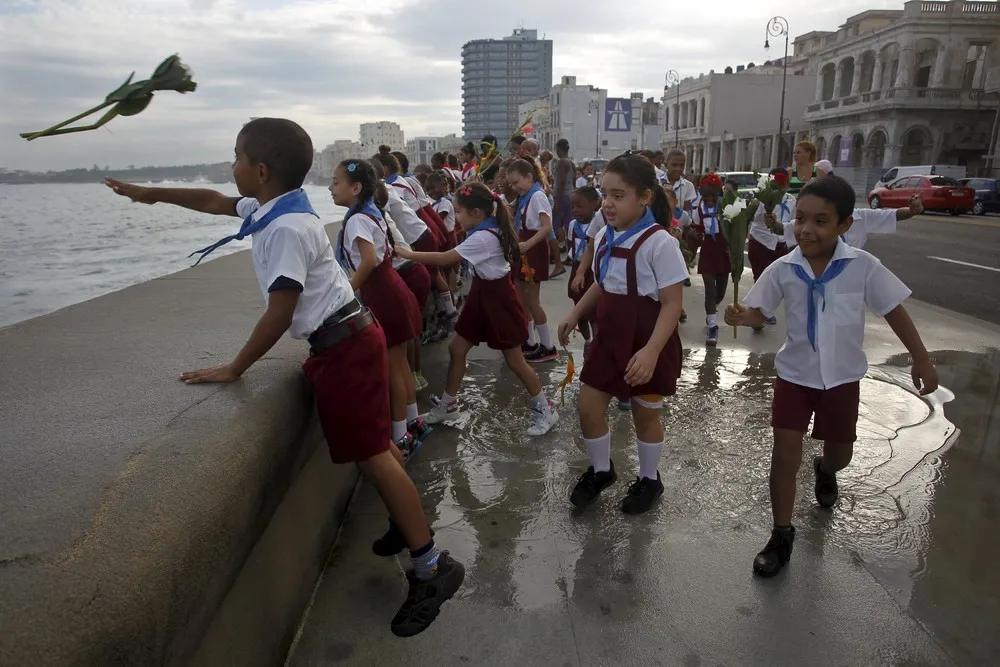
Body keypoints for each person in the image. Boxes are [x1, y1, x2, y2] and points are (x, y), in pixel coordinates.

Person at [104, 118, 463, 636]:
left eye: (236, 157)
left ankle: (432, 568)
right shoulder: (277, 208)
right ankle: (404, 522)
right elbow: (212, 201)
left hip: (345, 347)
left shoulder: (287, 228)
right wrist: (150, 194)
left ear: (262, 170)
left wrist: (235, 367)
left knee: (376, 456)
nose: (232, 168)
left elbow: (280, 310)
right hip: (347, 340)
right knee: (380, 452)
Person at [726, 174, 938, 578]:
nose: (805, 229)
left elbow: (893, 309)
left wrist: (921, 358)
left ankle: (826, 470)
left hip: (841, 380)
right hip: (795, 376)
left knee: (841, 453)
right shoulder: (783, 268)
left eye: (820, 221)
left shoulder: (862, 267)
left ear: (845, 225)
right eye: (800, 219)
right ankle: (781, 534)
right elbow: (761, 312)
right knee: (785, 453)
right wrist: (742, 315)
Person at [558, 153, 687, 515]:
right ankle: (602, 471)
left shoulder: (661, 243)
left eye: (619, 195)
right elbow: (603, 283)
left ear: (645, 197)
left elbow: (672, 305)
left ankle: (649, 479)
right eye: (605, 194)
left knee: (645, 416)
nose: (608, 204)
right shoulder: (603, 236)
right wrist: (575, 312)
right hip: (610, 336)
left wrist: (650, 352)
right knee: (587, 406)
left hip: (649, 339)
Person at [396, 182, 559, 436]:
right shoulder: (488, 228)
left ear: (476, 213)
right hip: (483, 293)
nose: (456, 217)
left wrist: (408, 254)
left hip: (498, 299)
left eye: (459, 211)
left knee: (515, 360)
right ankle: (448, 404)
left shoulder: (483, 237)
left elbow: (445, 258)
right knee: (457, 348)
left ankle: (545, 407)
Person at [333, 159, 427, 454]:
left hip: (382, 293)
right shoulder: (370, 212)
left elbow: (369, 260)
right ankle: (413, 422)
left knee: (394, 368)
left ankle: (399, 436)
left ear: (356, 187)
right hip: (392, 289)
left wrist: (346, 292)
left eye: (336, 182)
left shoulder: (358, 219)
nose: (330, 188)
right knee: (401, 365)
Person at [376, 182, 433, 396]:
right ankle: (416, 374)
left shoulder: (370, 220)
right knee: (413, 329)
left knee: (408, 332)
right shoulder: (382, 215)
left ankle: (412, 376)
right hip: (415, 273)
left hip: (409, 275)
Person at [508, 158, 557, 363]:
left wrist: (528, 245)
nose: (514, 187)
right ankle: (529, 341)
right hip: (524, 247)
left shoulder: (537, 196)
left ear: (529, 177)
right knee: (521, 297)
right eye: (511, 184)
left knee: (532, 300)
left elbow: (547, 227)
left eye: (517, 182)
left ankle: (548, 346)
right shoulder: (525, 196)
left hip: (533, 249)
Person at [782, 194, 925, 251]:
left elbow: (892, 215)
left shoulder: (862, 216)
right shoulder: (815, 219)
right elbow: (783, 229)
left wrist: (912, 211)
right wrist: (771, 222)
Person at [685, 173, 730, 346]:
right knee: (710, 290)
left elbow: (734, 231)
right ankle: (713, 326)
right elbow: (695, 229)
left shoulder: (726, 208)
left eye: (713, 195)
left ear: (719, 193)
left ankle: (712, 309)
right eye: (706, 196)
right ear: (701, 194)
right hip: (708, 251)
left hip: (723, 251)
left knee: (720, 292)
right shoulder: (700, 210)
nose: (709, 199)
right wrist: (692, 244)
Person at [747, 168, 795, 328]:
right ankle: (757, 313)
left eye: (783, 184)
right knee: (760, 277)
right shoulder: (761, 199)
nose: (781, 188)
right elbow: (754, 219)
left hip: (780, 243)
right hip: (760, 241)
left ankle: (764, 310)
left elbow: (789, 222)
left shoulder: (791, 200)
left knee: (777, 279)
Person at [567, 186, 600, 353]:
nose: (575, 210)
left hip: (592, 270)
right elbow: (570, 245)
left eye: (580, 206)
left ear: (594, 204)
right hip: (576, 268)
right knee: (578, 307)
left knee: (594, 311)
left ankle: (596, 343)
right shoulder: (572, 225)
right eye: (573, 206)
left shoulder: (598, 224)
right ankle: (587, 340)